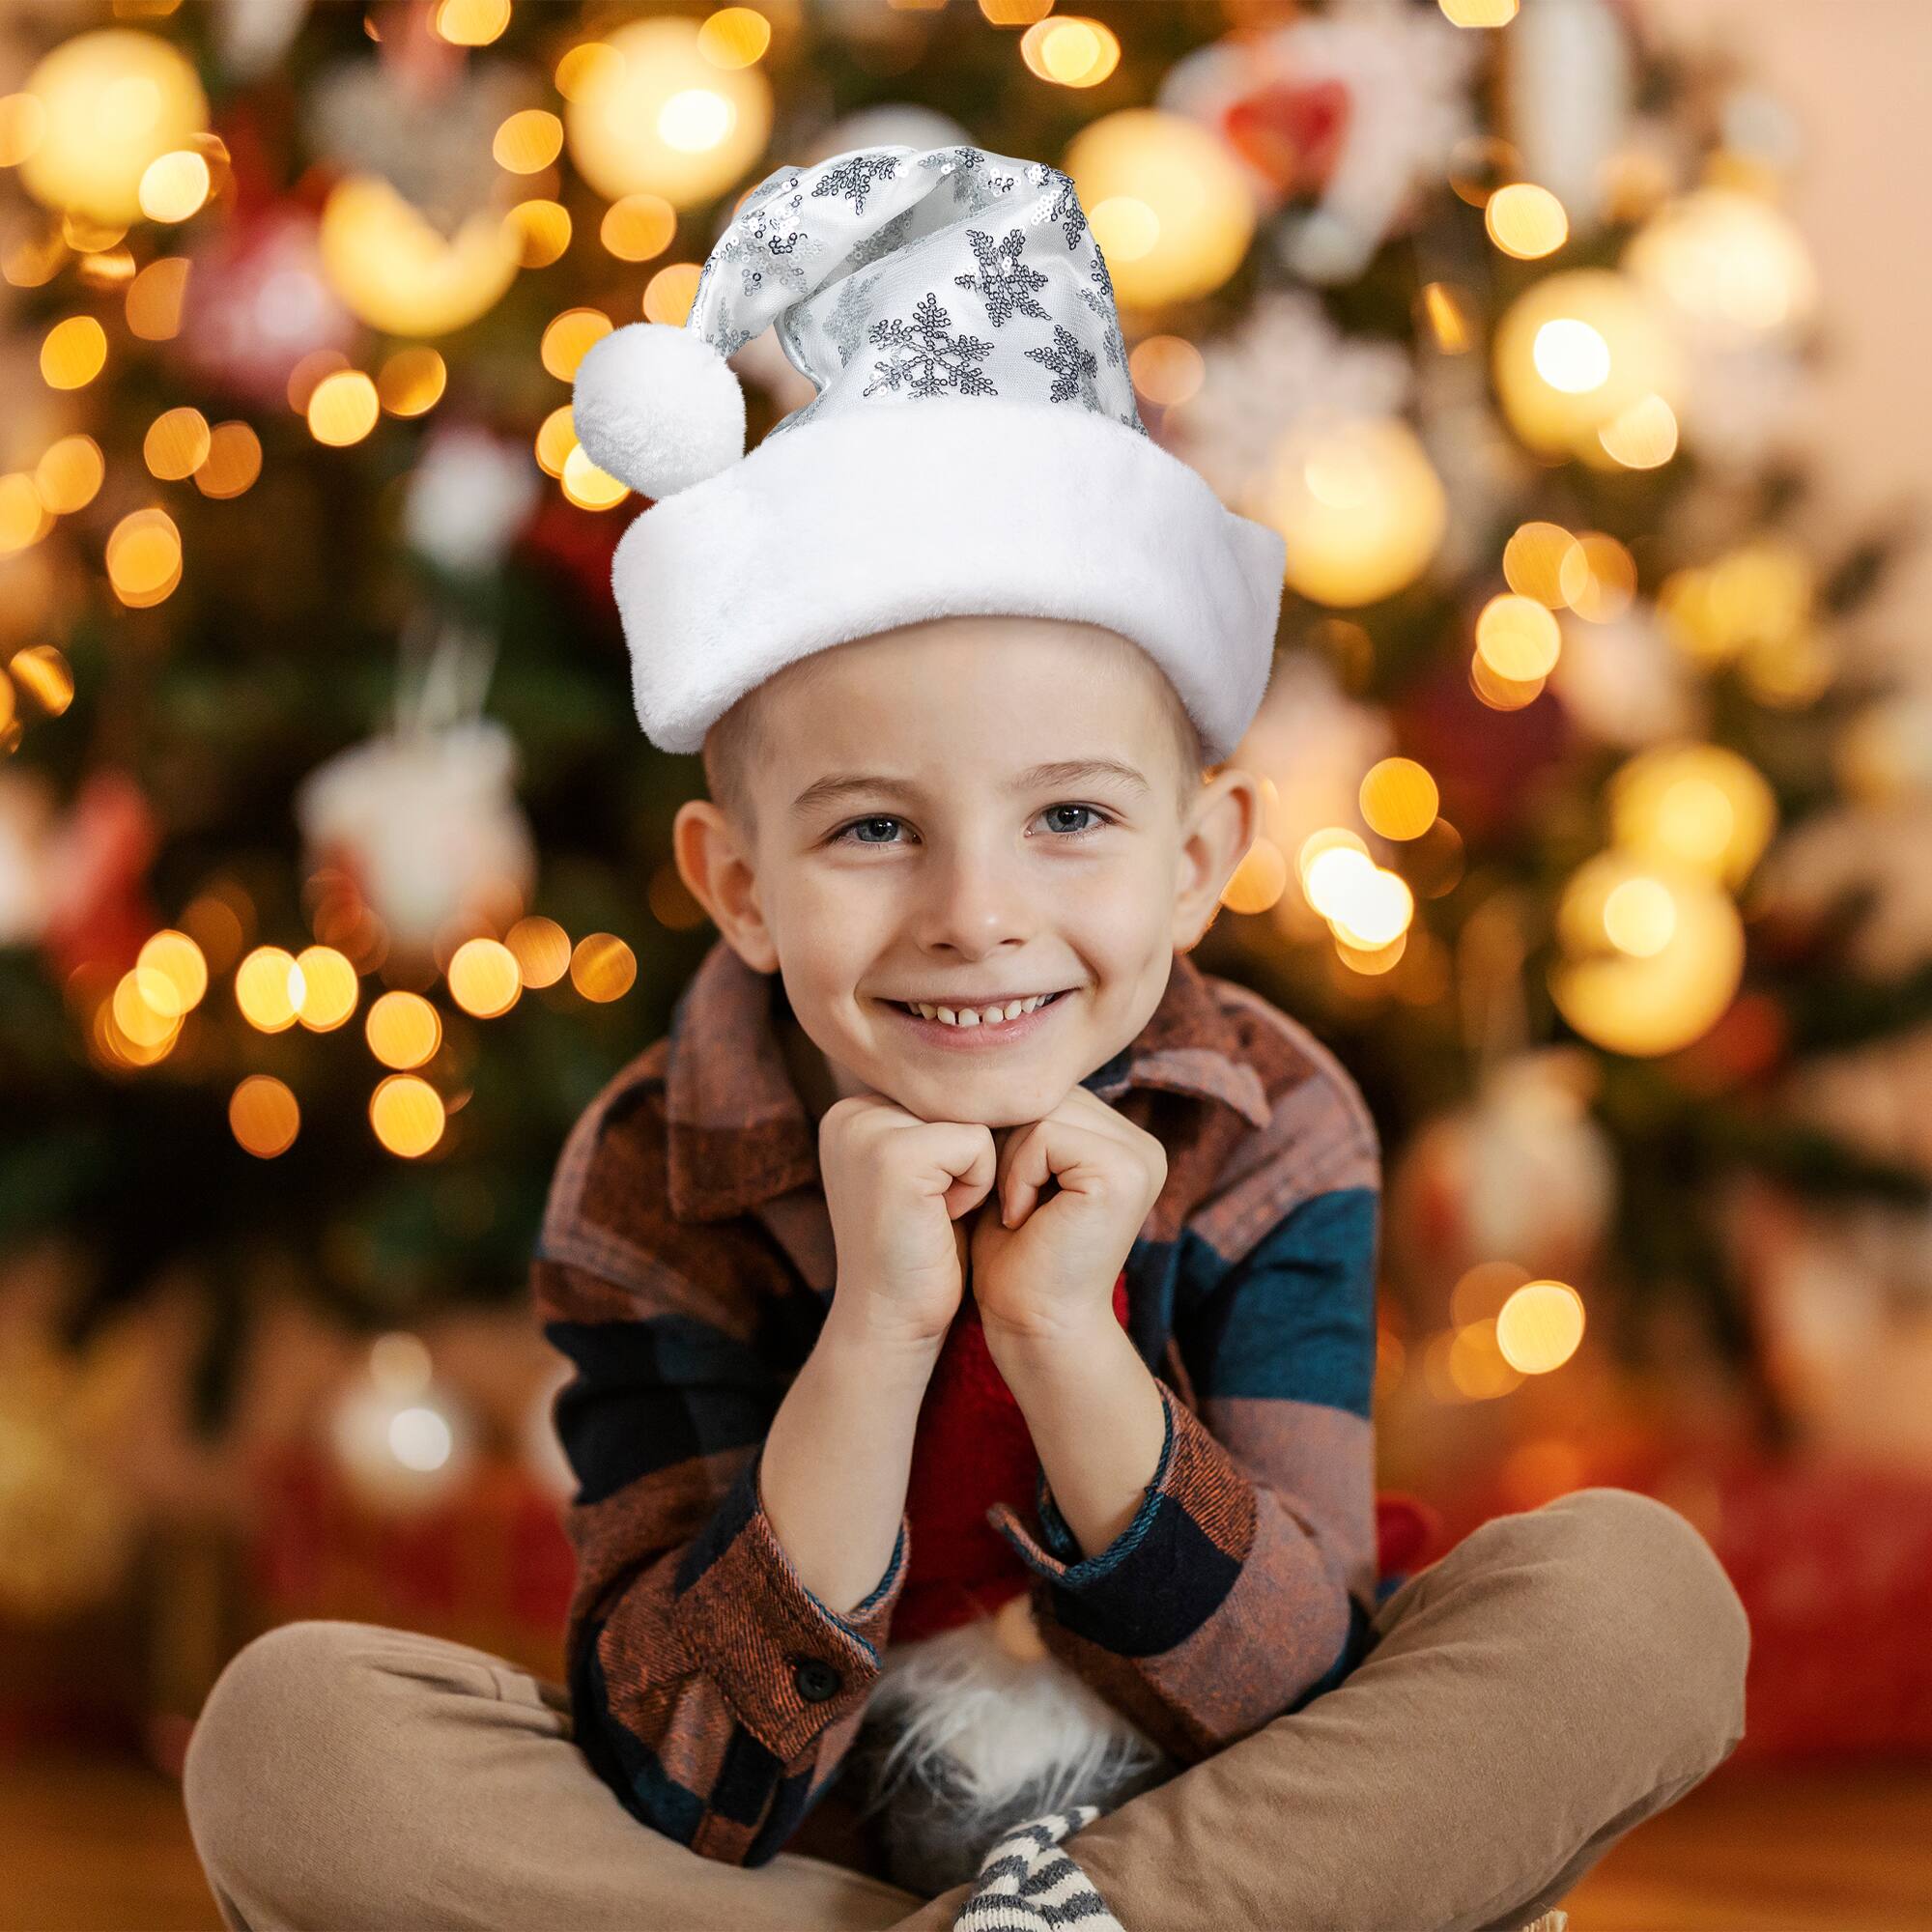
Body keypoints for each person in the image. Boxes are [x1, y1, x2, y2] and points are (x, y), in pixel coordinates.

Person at [182, 141, 1749, 1932]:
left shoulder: (1272, 1121)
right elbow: (688, 1779)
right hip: (823, 1858)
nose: (975, 914)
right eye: (872, 830)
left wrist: (1063, 1338)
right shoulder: (655, 1166)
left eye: (1070, 818)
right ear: (738, 885)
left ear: (1198, 861)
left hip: (1222, 1814)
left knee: (1636, 1602)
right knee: (296, 1743)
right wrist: (877, 1335)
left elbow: (1291, 1694)